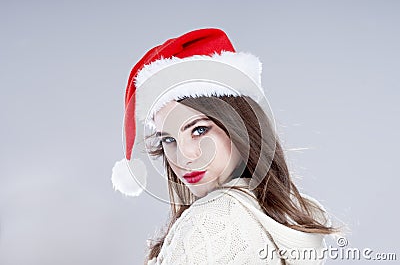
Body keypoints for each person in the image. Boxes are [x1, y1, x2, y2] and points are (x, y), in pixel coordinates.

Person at [111, 28, 337, 264]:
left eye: (199, 130)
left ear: (239, 127)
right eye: (168, 139)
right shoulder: (285, 214)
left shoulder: (210, 222)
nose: (184, 156)